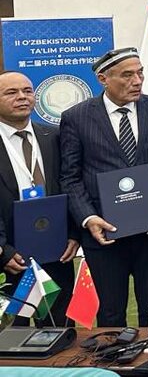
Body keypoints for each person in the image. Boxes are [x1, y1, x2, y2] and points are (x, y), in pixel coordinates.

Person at [59, 47, 148, 327]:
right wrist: (88, 217)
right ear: (103, 79)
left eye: (140, 73)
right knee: (110, 314)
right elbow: (70, 177)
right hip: (104, 234)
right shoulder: (76, 117)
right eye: (127, 75)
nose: (137, 81)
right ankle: (113, 354)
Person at [0, 71, 78, 326]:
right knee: (13, 335)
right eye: (11, 92)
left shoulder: (54, 136)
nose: (22, 97)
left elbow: (71, 184)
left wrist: (74, 234)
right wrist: (3, 251)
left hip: (56, 251)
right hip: (10, 257)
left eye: (27, 91)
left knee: (60, 331)